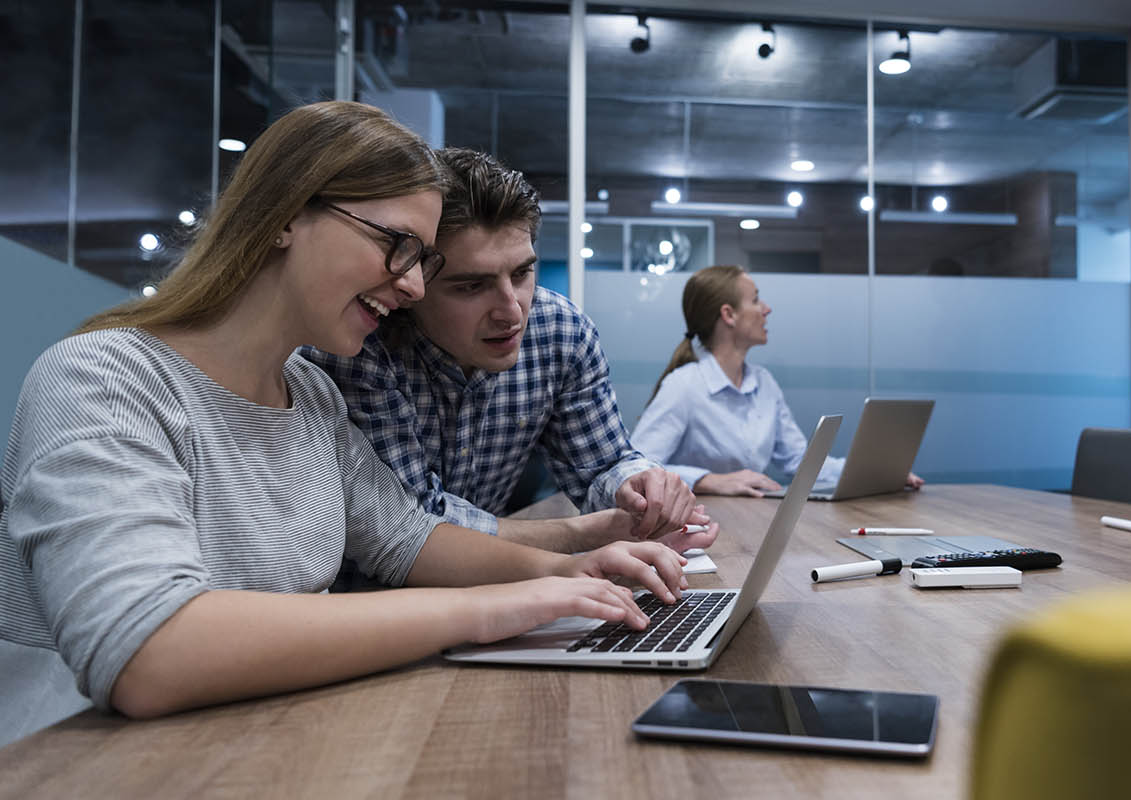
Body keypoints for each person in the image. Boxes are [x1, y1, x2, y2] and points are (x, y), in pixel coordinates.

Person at [0, 102, 686, 744]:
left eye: (421, 261)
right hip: (69, 758)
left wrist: (567, 570)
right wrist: (497, 607)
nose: (413, 286)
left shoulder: (310, 395)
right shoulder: (102, 379)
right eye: (397, 246)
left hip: (242, 743)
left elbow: (408, 538)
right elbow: (149, 652)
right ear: (285, 216)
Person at [302, 148, 713, 555]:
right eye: (471, 286)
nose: (512, 311)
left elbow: (602, 464)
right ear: (412, 285)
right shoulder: (360, 346)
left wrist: (639, 488)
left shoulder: (560, 332)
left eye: (522, 273)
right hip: (362, 603)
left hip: (492, 587)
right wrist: (588, 534)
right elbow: (414, 524)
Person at [631, 265, 923, 497]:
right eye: (756, 299)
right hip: (694, 531)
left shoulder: (764, 383)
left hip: (752, 524)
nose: (766, 309)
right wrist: (709, 480)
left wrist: (876, 471)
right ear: (728, 314)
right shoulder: (684, 386)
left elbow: (800, 463)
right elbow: (637, 469)